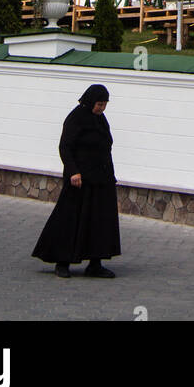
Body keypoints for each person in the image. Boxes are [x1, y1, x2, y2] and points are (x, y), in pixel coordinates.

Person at [32, 83, 121, 278]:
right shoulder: (76, 117)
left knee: (99, 221)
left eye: (105, 104)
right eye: (99, 104)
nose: (102, 108)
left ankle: (95, 263)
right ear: (90, 101)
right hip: (79, 180)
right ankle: (62, 262)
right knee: (70, 219)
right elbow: (65, 146)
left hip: (101, 179)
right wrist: (73, 171)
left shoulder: (100, 119)